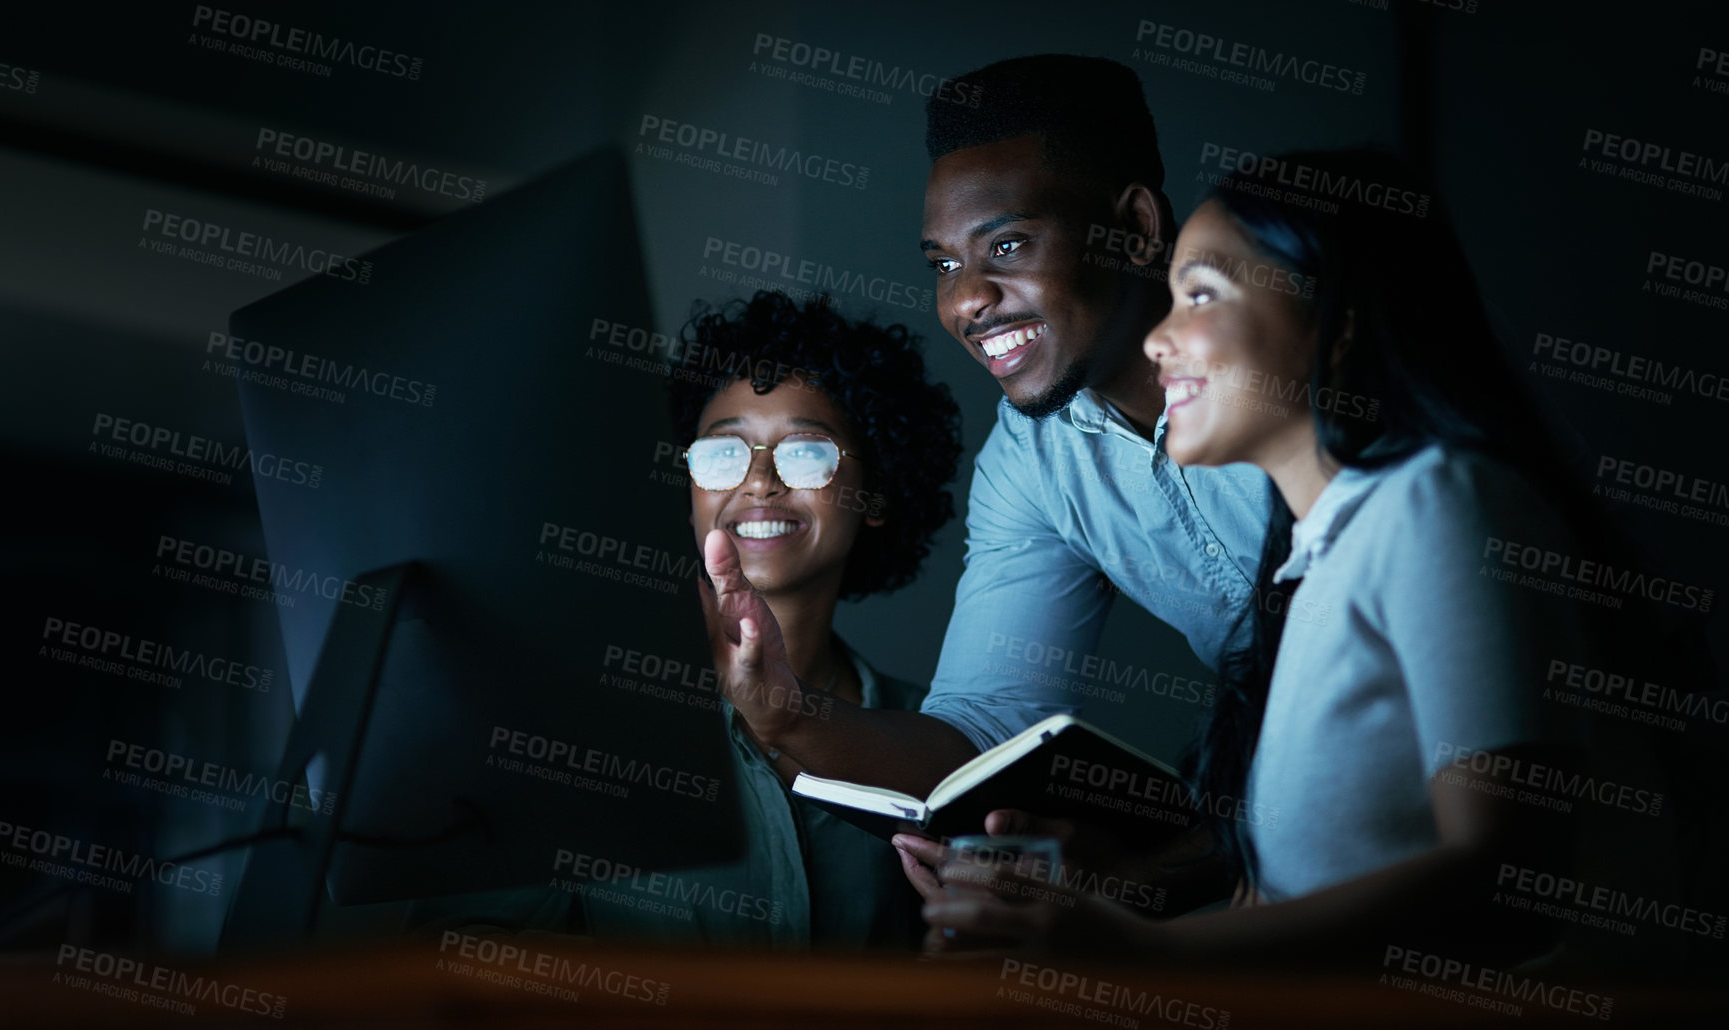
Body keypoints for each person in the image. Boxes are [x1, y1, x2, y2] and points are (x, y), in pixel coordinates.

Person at [920, 148, 1698, 967]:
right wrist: (1114, 896)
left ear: (1339, 322)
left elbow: (1507, 882)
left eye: (1202, 297)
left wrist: (1141, 953)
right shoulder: (1309, 568)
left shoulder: (1436, 498)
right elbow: (1297, 900)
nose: (1159, 339)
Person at [699, 55, 1273, 911]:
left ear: (1136, 226)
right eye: (941, 264)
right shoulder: (1028, 459)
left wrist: (1166, 869)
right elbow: (984, 733)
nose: (967, 299)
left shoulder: (1295, 370)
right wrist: (786, 715)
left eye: (1007, 245)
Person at [418, 290, 962, 949]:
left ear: (874, 493)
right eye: (722, 454)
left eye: (807, 451)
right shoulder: (572, 732)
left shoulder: (943, 748)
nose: (759, 481)